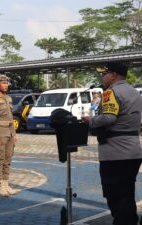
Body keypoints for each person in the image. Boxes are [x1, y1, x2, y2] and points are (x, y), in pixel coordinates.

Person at [82, 62, 142, 225]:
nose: (102, 77)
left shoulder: (111, 92)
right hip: (133, 151)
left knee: (116, 197)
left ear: (114, 75)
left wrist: (90, 120)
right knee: (127, 195)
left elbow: (109, 118)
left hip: (115, 153)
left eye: (104, 74)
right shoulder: (134, 92)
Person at [0, 74, 19, 197]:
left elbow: (11, 118)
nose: (6, 85)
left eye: (7, 83)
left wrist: (14, 134)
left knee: (8, 159)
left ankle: (6, 184)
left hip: (9, 133)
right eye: (3, 83)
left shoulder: (9, 99)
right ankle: (0, 185)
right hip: (0, 133)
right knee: (0, 159)